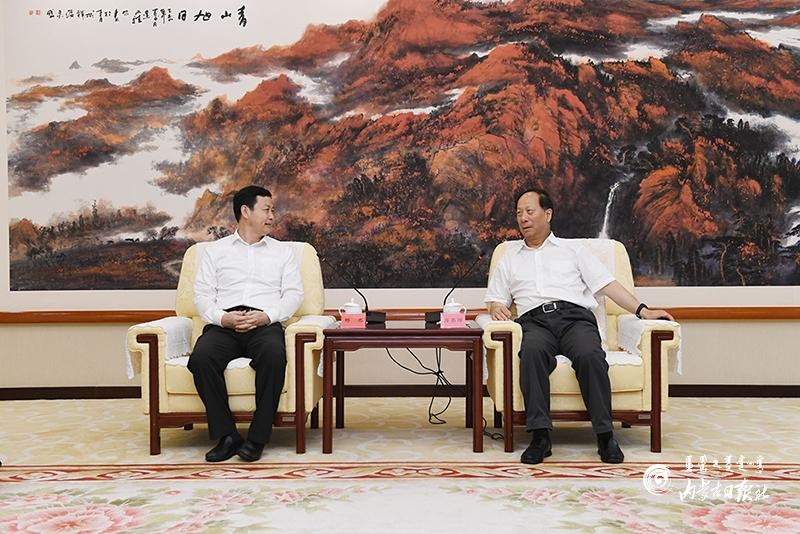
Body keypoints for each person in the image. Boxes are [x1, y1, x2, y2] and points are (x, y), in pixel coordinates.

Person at [485, 188, 673, 465]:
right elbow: (495, 299)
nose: (523, 218)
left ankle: (605, 436)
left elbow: (607, 284)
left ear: (548, 214)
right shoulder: (509, 257)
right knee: (532, 354)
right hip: (534, 322)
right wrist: (495, 307)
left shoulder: (573, 250)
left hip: (574, 319)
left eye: (529, 211)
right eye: (518, 213)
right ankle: (540, 437)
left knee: (590, 355)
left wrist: (642, 310)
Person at [189, 185, 304, 462]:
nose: (272, 216)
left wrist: (267, 316)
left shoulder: (283, 252)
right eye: (267, 210)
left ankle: (257, 437)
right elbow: (202, 296)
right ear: (245, 211)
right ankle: (228, 436)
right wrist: (223, 318)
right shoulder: (214, 251)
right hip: (224, 323)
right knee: (202, 358)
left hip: (264, 323)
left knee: (274, 355)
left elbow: (294, 295)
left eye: (273, 210)